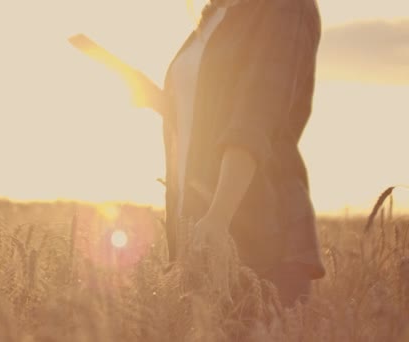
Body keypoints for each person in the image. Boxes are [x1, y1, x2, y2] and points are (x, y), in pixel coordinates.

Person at [131, 0, 326, 307]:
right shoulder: (217, 14)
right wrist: (158, 99)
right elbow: (206, 117)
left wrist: (219, 215)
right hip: (198, 227)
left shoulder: (285, 8)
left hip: (262, 232)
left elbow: (256, 117)